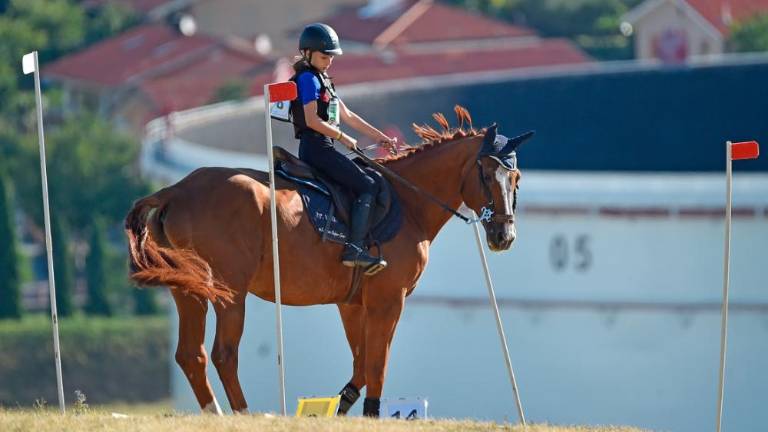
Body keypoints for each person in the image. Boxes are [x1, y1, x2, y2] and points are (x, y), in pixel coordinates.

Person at [290, 23, 394, 271]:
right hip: (316, 149)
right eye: (325, 56)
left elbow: (347, 115)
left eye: (331, 57)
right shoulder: (307, 80)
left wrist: (379, 136)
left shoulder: (323, 79)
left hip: (325, 147)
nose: (329, 62)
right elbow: (313, 120)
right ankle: (354, 249)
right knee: (367, 186)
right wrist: (345, 139)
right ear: (307, 53)